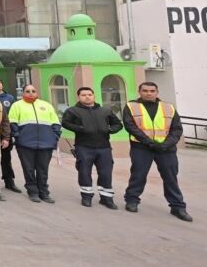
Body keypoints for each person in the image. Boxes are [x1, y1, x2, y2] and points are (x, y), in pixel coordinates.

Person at [122, 82, 191, 222]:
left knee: (171, 177)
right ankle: (132, 200)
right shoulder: (131, 106)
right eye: (145, 90)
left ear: (157, 92)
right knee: (138, 175)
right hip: (142, 147)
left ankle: (177, 206)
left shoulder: (168, 107)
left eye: (152, 91)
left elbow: (177, 129)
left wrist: (166, 144)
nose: (149, 93)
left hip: (166, 149)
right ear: (139, 92)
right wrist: (150, 142)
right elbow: (130, 127)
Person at [61, 87, 123, 209]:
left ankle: (106, 198)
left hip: (104, 147)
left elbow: (118, 124)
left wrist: (110, 130)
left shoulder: (105, 111)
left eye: (89, 94)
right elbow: (65, 123)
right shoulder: (72, 111)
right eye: (83, 95)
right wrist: (80, 129)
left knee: (105, 173)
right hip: (84, 146)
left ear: (94, 96)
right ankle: (86, 197)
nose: (87, 97)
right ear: (79, 97)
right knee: (84, 172)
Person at [7, 84, 62, 204]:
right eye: (28, 91)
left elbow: (56, 123)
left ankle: (44, 192)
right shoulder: (17, 105)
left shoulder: (46, 105)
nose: (31, 93)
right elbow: (12, 123)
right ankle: (33, 192)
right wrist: (18, 137)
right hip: (25, 144)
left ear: (37, 93)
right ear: (23, 93)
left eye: (33, 91)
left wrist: (54, 137)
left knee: (43, 170)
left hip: (46, 143)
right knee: (29, 169)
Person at [0, 77, 21, 192]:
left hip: (6, 133)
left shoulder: (10, 98)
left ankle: (9, 181)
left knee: (6, 158)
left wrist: (13, 132)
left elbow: (15, 114)